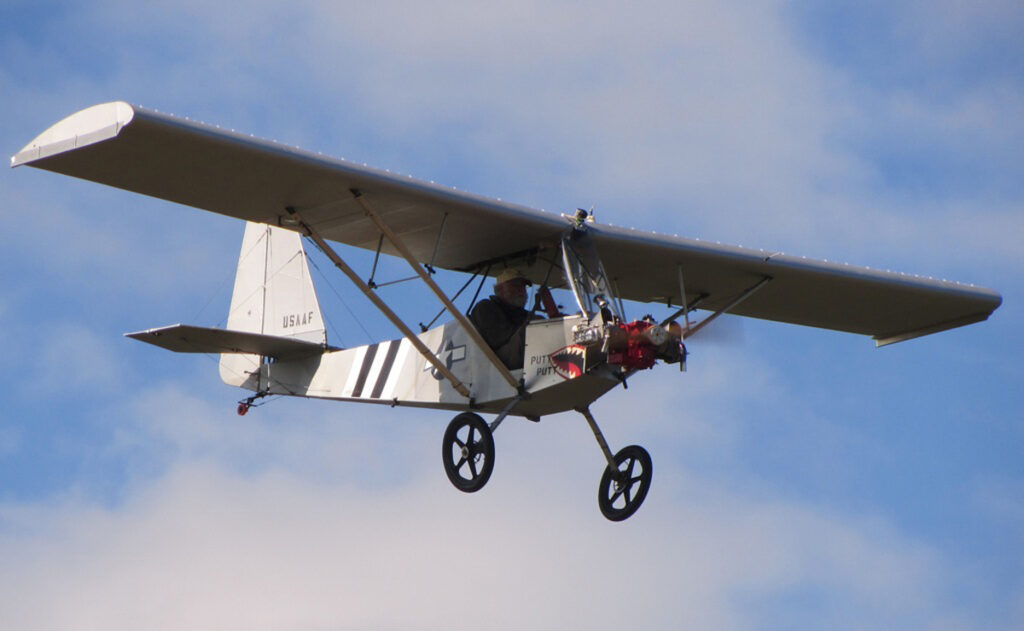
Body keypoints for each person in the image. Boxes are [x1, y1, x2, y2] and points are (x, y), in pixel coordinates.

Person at [470, 268, 534, 370]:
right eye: (515, 285)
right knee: (532, 328)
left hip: (520, 355)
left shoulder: (526, 315)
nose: (521, 289)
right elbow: (499, 338)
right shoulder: (486, 307)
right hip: (496, 362)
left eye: (523, 286)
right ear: (500, 289)